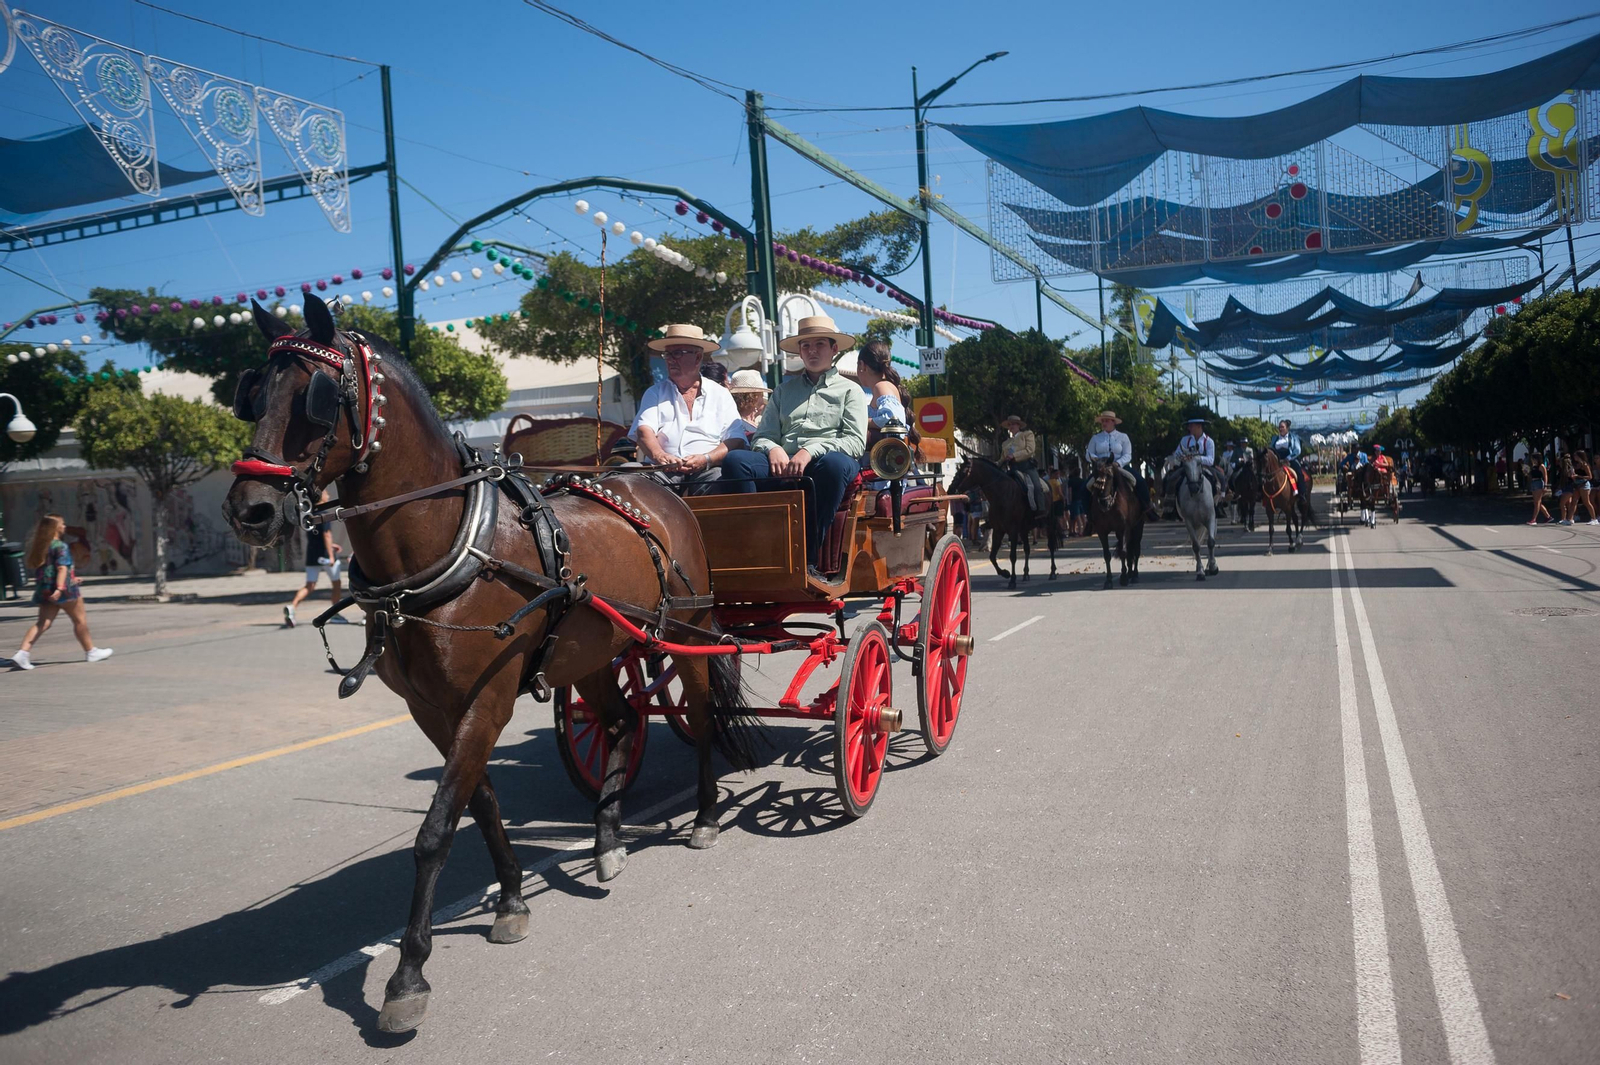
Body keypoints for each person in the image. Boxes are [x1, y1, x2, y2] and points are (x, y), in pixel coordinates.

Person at [720, 315, 867, 572]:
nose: (812, 351)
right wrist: (773, 448)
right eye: (806, 346)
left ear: (834, 349)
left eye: (819, 344)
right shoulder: (783, 391)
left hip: (827, 463)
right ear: (799, 351)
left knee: (832, 465)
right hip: (784, 463)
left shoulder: (849, 390)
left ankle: (809, 559)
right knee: (735, 461)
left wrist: (810, 451)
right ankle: (757, 546)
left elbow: (855, 442)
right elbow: (763, 435)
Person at [630, 323, 739, 494]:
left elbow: (736, 439)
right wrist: (660, 456)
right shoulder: (655, 393)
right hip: (662, 471)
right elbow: (644, 431)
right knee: (626, 473)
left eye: (677, 353)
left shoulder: (720, 394)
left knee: (721, 479)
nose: (670, 359)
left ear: (697, 358)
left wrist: (707, 459)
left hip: (709, 470)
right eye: (667, 354)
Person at [10, 514, 113, 669]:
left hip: (45, 589)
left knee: (42, 623)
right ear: (55, 528)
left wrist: (71, 578)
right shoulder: (60, 546)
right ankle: (91, 651)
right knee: (79, 620)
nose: (65, 527)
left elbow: (49, 568)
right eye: (62, 524)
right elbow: (61, 567)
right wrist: (61, 587)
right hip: (65, 591)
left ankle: (23, 653)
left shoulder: (42, 546)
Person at [1085, 410, 1156, 518]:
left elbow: (1128, 454)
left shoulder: (1123, 437)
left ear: (1113, 422)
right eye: (1103, 421)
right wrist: (1097, 461)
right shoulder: (1095, 438)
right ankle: (1089, 517)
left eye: (1107, 421)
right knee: (1084, 488)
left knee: (1140, 482)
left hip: (1120, 466)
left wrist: (1118, 463)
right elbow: (1089, 453)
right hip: (1102, 469)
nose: (1104, 423)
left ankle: (1147, 509)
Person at [285, 492, 342, 628]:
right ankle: (335, 613)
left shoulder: (309, 514)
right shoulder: (324, 514)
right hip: (324, 556)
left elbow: (316, 536)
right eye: (325, 493)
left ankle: (292, 607)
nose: (328, 494)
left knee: (309, 585)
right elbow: (326, 535)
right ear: (321, 497)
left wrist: (331, 546)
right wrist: (331, 555)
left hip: (312, 554)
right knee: (336, 583)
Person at [1163, 415, 1223, 500]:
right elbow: (1177, 453)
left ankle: (1218, 504)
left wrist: (1197, 459)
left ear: (1199, 426)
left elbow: (1210, 460)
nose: (1189, 428)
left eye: (1191, 426)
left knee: (1220, 479)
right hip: (1187, 467)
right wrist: (1183, 457)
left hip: (1204, 467)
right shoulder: (1185, 440)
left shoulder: (1209, 441)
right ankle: (1169, 504)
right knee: (1171, 479)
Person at [1001, 414, 1049, 517]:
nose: (1011, 427)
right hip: (1012, 468)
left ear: (1018, 425)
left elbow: (1030, 450)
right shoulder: (1005, 443)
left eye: (1013, 424)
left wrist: (1014, 455)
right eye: (1009, 425)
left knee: (1036, 486)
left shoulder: (1027, 435)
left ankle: (1041, 510)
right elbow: (1002, 458)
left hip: (1026, 466)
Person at [723, 369, 770, 449]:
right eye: (761, 395)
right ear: (754, 398)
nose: (763, 401)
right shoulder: (738, 424)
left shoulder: (733, 420)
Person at [1269, 418, 1310, 505]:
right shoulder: (1275, 438)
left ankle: (1302, 494)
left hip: (1290, 459)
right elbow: (1271, 449)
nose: (1281, 429)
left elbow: (1297, 450)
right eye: (1279, 427)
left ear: (1287, 428)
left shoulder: (1293, 437)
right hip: (1278, 460)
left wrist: (1288, 458)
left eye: (1282, 427)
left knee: (1299, 472)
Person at [1573, 450, 1597, 525]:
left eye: (1576, 456)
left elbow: (1590, 476)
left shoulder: (1585, 465)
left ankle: (1594, 518)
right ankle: (1570, 518)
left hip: (1584, 484)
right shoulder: (1577, 465)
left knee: (1586, 502)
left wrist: (1579, 476)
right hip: (1577, 484)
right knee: (1574, 501)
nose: (1574, 457)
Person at [1527, 454, 1552, 525]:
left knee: (1537, 502)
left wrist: (1545, 486)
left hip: (1539, 483)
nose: (1532, 460)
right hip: (1534, 482)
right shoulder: (1533, 466)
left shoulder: (1541, 466)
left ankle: (1534, 519)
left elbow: (1545, 475)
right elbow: (1530, 475)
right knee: (1537, 502)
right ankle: (1548, 516)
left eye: (1533, 459)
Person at [1066, 459, 1088, 536]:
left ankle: (1080, 531)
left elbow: (1070, 491)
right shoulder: (1082, 481)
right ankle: (1085, 529)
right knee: (1083, 516)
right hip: (1081, 499)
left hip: (1075, 499)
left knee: (1077, 516)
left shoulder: (1071, 481)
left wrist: (1070, 500)